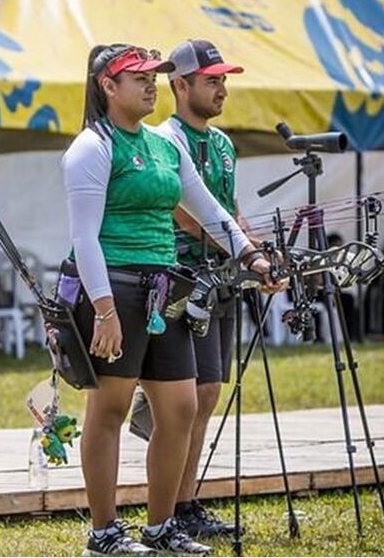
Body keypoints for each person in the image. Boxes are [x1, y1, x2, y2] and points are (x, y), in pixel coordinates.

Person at [62, 44, 280, 556]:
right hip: (115, 288)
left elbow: (211, 212)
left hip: (166, 288)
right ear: (108, 86)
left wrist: (252, 258)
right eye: (138, 78)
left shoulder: (165, 147)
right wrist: (104, 310)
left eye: (153, 77)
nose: (150, 85)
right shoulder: (92, 147)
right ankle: (104, 533)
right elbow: (85, 238)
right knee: (110, 410)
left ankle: (160, 527)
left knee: (181, 407)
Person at [127, 39, 251, 538]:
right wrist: (238, 250)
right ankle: (171, 507)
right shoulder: (164, 139)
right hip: (181, 280)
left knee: (209, 392)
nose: (222, 90)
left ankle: (185, 502)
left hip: (222, 280)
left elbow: (228, 210)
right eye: (211, 81)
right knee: (191, 395)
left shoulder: (222, 144)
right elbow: (184, 211)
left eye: (223, 81)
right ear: (180, 85)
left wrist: (255, 254)